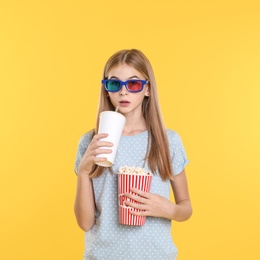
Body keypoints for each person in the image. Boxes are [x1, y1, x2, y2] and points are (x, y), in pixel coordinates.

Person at [74, 49, 192, 260]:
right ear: (106, 89)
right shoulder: (90, 142)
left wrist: (169, 209)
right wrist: (83, 172)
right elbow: (85, 223)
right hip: (102, 255)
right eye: (114, 84)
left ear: (147, 89)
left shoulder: (167, 142)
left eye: (134, 84)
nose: (123, 92)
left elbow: (186, 208)